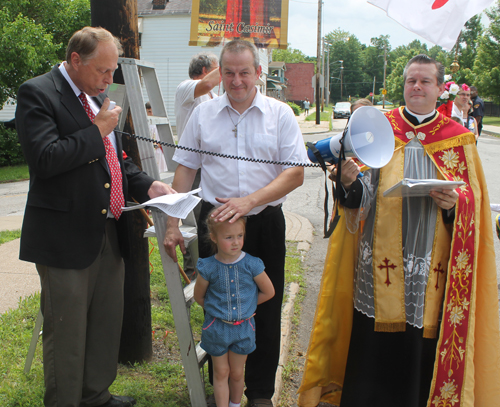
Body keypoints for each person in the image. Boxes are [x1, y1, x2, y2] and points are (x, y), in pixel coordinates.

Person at [298, 54, 500, 407]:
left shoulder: (460, 140)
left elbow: (475, 205)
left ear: (440, 89)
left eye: (425, 81)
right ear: (403, 86)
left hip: (430, 274)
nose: (417, 87)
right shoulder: (378, 129)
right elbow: (358, 195)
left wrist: (455, 207)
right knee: (372, 358)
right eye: (411, 81)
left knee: (418, 357)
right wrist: (347, 183)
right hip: (378, 270)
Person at [15, 27, 175, 407]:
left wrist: (148, 186)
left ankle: (96, 395)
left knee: (105, 322)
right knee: (67, 331)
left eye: (112, 71)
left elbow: (113, 161)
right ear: (75, 61)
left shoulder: (97, 98)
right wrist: (97, 128)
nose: (109, 79)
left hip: (109, 227)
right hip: (64, 235)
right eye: (103, 71)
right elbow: (46, 159)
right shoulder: (38, 93)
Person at [164, 39, 308, 407]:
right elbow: (185, 170)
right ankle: (224, 390)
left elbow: (295, 174)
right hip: (218, 226)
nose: (237, 80)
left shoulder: (280, 114)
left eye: (245, 72)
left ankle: (260, 392)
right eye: (229, 73)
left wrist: (251, 200)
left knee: (264, 307)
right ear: (220, 74)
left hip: (263, 224)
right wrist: (171, 224)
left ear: (258, 73)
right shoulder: (203, 114)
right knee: (217, 305)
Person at [194, 211, 275, 407]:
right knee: (221, 372)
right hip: (217, 329)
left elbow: (269, 291)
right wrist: (217, 312)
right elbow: (199, 296)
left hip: (243, 329)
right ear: (214, 237)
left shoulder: (252, 265)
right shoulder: (208, 267)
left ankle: (235, 404)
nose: (236, 242)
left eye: (240, 236)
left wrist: (246, 307)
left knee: (238, 373)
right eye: (228, 237)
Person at [174, 52, 220, 279]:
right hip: (192, 169)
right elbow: (208, 82)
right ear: (205, 69)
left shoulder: (212, 95)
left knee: (208, 221)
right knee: (194, 222)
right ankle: (193, 273)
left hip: (209, 168)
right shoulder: (187, 87)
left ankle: (210, 270)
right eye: (221, 68)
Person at [145, 101, 168, 173]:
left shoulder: (159, 122)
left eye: (152, 111)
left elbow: (164, 138)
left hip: (158, 151)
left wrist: (157, 145)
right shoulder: (145, 123)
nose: (151, 113)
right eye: (149, 111)